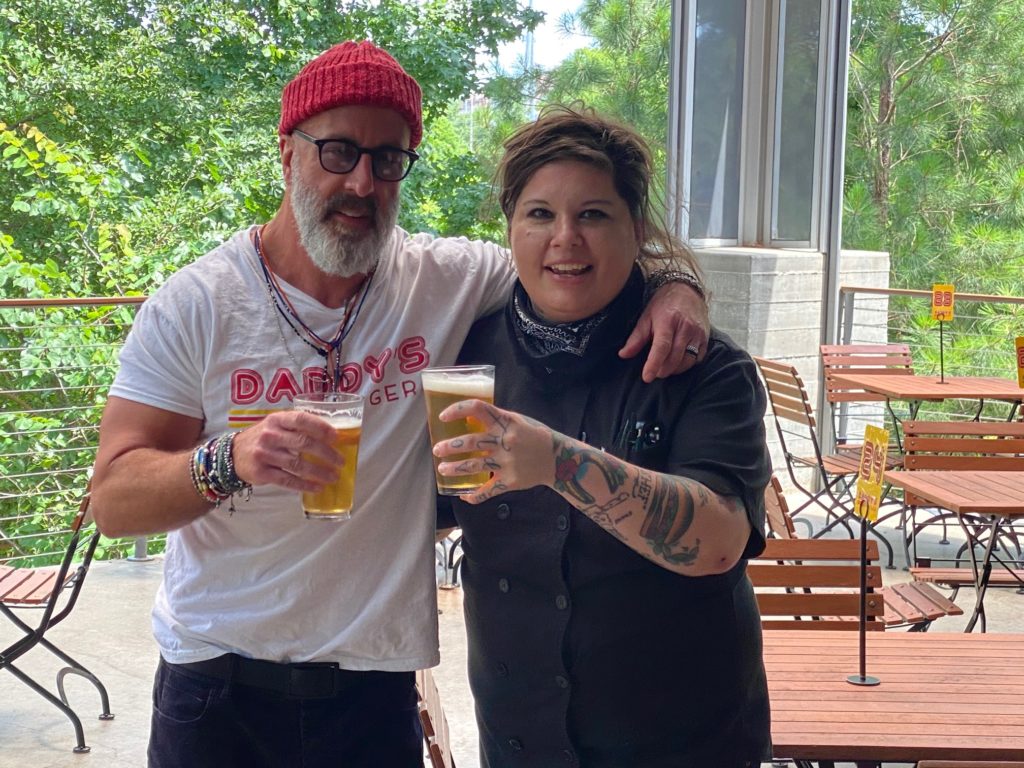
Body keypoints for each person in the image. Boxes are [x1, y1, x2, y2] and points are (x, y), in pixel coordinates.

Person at [89, 41, 710, 768]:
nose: (362, 182)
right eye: (339, 152)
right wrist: (234, 458)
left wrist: (675, 285)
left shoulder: (442, 278)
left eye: (387, 160)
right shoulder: (196, 305)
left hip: (373, 690)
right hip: (218, 685)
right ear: (287, 154)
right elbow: (113, 500)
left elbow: (566, 253)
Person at [432, 106, 772, 768]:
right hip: (521, 743)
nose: (566, 238)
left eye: (593, 214)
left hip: (688, 745)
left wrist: (558, 462)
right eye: (539, 214)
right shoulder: (465, 357)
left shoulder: (704, 365)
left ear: (637, 229)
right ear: (510, 226)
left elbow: (720, 541)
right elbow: (432, 507)